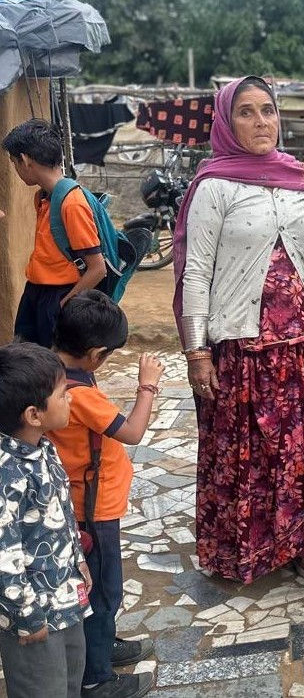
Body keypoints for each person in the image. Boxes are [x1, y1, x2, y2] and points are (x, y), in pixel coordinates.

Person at [174, 76, 304, 584]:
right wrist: (197, 352)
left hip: (301, 343)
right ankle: (243, 552)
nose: (261, 122)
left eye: (268, 111)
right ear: (227, 122)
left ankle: (296, 542)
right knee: (245, 454)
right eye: (247, 112)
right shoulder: (214, 186)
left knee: (297, 450)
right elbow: (195, 271)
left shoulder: (292, 175)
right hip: (242, 346)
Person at [48, 291, 161, 698]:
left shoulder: (51, 371)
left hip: (78, 503)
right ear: (95, 354)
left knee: (95, 587)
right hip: (93, 510)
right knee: (101, 589)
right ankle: (96, 678)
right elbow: (131, 432)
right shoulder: (81, 396)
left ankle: (101, 644)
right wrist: (147, 387)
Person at [0, 342, 93, 698]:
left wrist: (79, 564)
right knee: (41, 689)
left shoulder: (45, 447)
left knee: (70, 680)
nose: (70, 399)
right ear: (33, 414)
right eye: (63, 394)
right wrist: (26, 615)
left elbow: (62, 515)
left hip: (66, 597)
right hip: (33, 615)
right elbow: (4, 555)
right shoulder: (7, 476)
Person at [3, 119, 107, 348]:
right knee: (27, 365)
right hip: (36, 291)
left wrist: (64, 305)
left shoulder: (72, 203)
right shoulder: (42, 197)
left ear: (26, 160)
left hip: (59, 295)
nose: (16, 169)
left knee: (57, 369)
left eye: (14, 162)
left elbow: (97, 268)